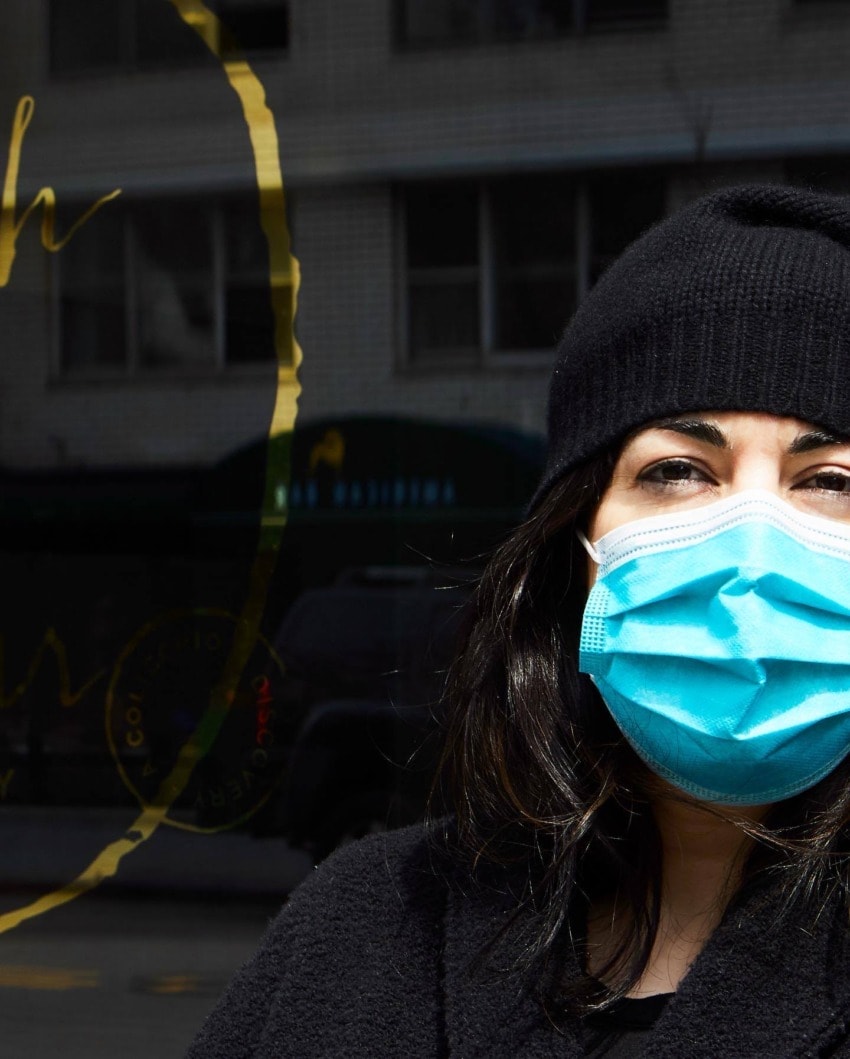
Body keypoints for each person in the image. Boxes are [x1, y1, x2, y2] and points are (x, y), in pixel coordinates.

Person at [187, 183, 850, 1058]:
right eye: (680, 469)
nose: (751, 546)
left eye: (830, 480)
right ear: (573, 550)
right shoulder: (367, 923)